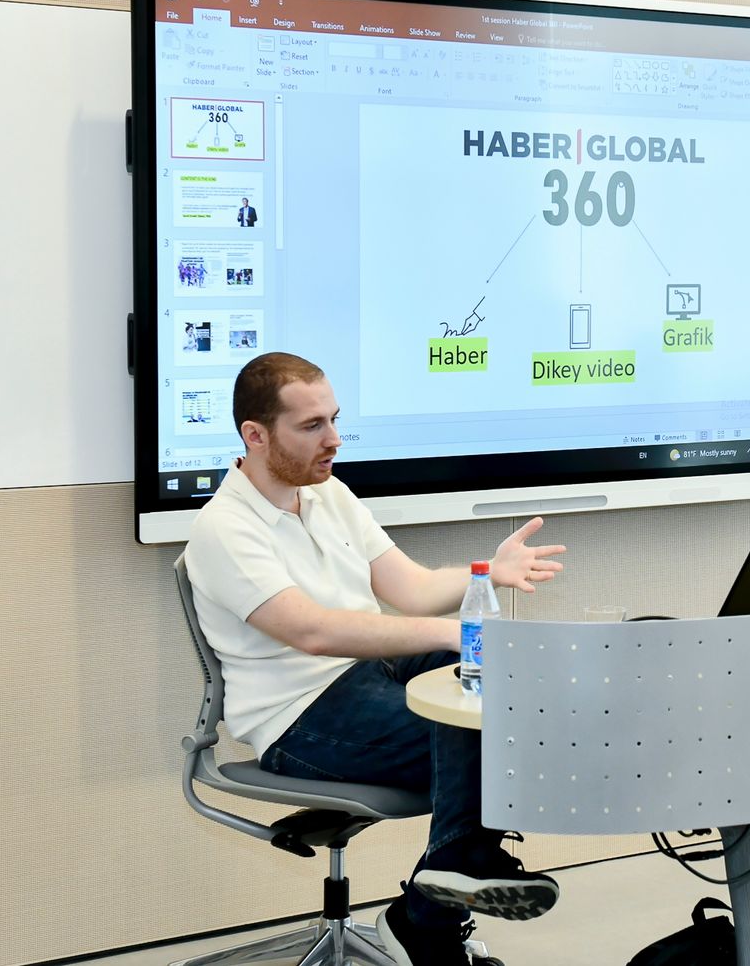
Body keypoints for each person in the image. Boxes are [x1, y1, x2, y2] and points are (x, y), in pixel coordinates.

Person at [184, 352, 565, 966]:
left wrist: (488, 572)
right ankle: (436, 904)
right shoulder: (223, 528)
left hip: (370, 675)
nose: (334, 439)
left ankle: (444, 881)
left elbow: (410, 588)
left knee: (512, 688)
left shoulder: (329, 494)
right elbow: (312, 632)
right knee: (477, 723)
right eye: (312, 426)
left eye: (334, 419)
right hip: (301, 715)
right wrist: (452, 633)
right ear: (255, 435)